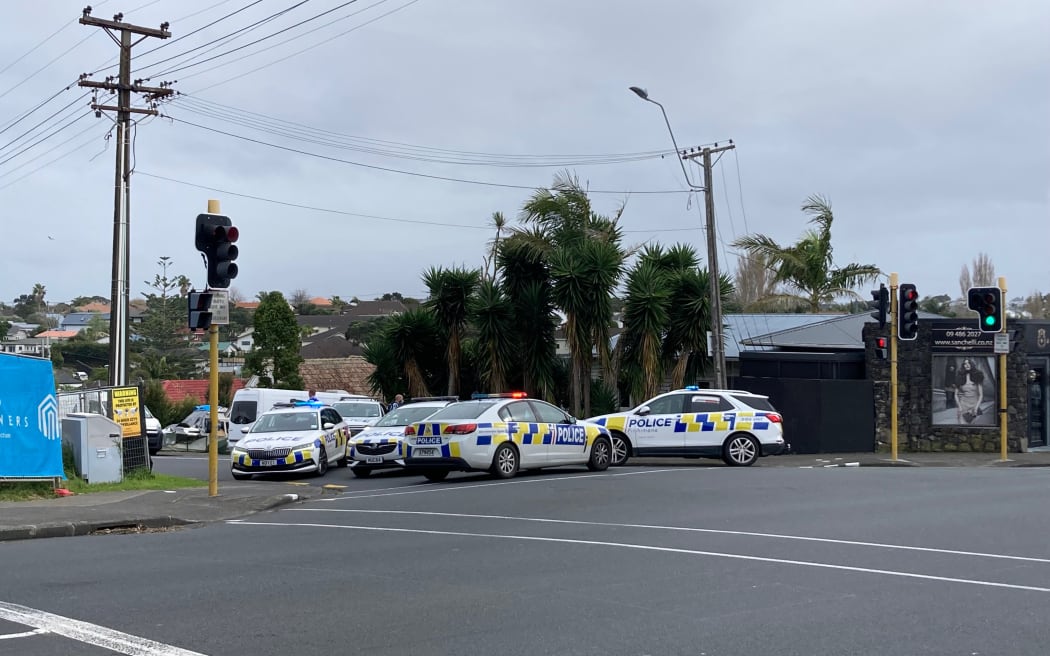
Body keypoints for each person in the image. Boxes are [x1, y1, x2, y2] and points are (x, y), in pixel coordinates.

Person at [954, 358, 985, 424]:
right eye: (965, 364)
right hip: (963, 405)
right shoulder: (959, 377)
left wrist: (976, 408)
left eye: (968, 363)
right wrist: (959, 406)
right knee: (962, 426)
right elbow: (956, 394)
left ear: (972, 365)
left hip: (974, 406)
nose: (967, 365)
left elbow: (981, 395)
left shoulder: (977, 377)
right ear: (963, 366)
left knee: (971, 427)